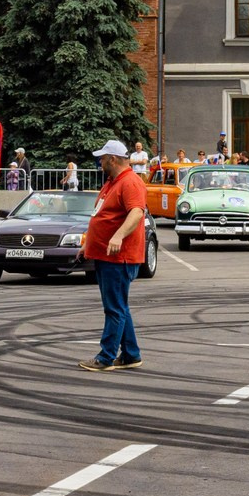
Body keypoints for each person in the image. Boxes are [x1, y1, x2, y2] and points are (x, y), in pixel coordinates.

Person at [81, 139, 147, 372]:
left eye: (102, 158)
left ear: (113, 159)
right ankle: (130, 354)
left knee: (114, 308)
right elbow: (101, 214)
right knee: (119, 306)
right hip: (106, 255)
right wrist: (88, 242)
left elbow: (136, 213)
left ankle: (106, 357)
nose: (100, 162)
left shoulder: (130, 182)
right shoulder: (112, 182)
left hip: (119, 257)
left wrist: (118, 236)